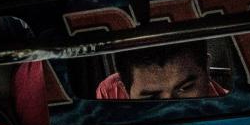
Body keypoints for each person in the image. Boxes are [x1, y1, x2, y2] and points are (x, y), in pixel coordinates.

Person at [95, 40, 229, 100]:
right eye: (150, 97)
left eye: (185, 88)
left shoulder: (231, 111)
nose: (171, 109)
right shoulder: (110, 92)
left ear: (206, 68)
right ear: (124, 89)